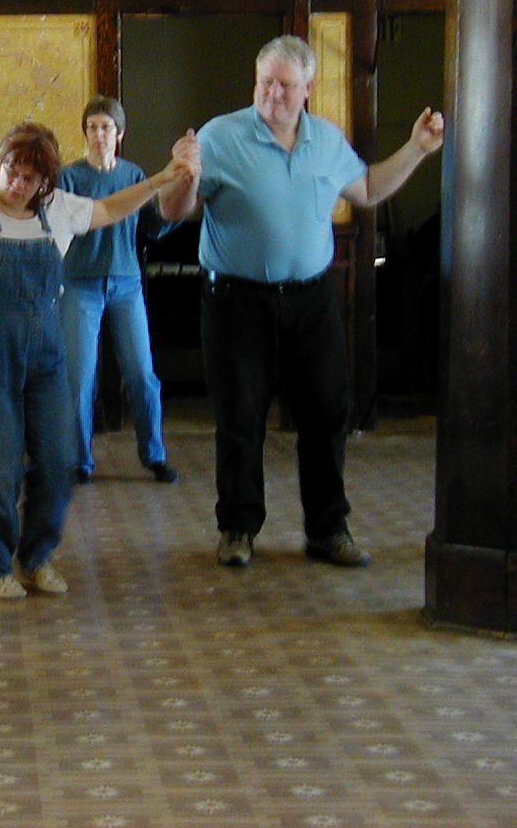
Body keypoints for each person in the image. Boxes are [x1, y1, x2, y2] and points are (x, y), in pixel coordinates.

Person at [0, 121, 200, 599]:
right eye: (10, 171)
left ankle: (36, 558)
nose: (16, 184)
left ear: (45, 182)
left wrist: (160, 180)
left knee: (58, 458)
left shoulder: (59, 210)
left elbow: (109, 209)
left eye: (29, 178)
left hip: (44, 350)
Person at [187, 35, 444, 569]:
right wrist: (183, 175)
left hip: (312, 299)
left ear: (308, 88)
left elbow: (367, 189)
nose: (273, 94)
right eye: (265, 83)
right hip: (236, 301)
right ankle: (237, 528)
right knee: (240, 418)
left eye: (285, 85)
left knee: (327, 412)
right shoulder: (219, 136)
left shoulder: (327, 140)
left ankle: (328, 530)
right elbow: (176, 209)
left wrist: (417, 148)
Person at [59, 95, 179, 485]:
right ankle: (79, 460)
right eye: (92, 128)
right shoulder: (69, 178)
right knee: (79, 379)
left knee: (142, 374)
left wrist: (176, 204)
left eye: (106, 128)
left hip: (126, 284)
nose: (99, 135)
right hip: (79, 284)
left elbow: (152, 228)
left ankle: (154, 454)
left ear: (120, 134)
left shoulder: (134, 176)